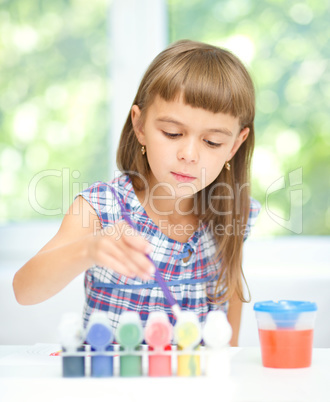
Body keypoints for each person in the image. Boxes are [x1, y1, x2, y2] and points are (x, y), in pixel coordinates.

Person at [13, 40, 260, 346]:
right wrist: (88, 250)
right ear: (140, 125)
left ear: (235, 145)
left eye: (212, 142)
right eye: (172, 133)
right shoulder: (100, 207)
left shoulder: (234, 212)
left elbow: (228, 316)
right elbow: (24, 291)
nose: (189, 153)